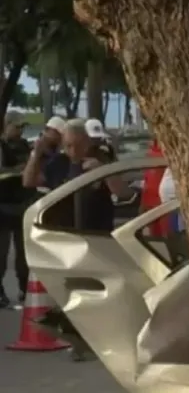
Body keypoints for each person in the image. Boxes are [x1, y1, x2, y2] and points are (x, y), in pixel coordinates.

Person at [22, 119, 130, 232]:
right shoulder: (59, 162)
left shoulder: (101, 157)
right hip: (65, 233)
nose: (74, 151)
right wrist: (35, 154)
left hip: (97, 233)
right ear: (63, 144)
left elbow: (124, 193)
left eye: (79, 145)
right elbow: (28, 182)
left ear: (88, 142)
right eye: (69, 146)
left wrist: (103, 171)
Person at [0, 112, 32, 307]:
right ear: (7, 126)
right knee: (1, 253)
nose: (20, 131)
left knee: (24, 253)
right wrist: (20, 169)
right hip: (3, 206)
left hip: (21, 206)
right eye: (17, 127)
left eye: (22, 127)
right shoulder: (3, 147)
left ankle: (25, 289)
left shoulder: (25, 145)